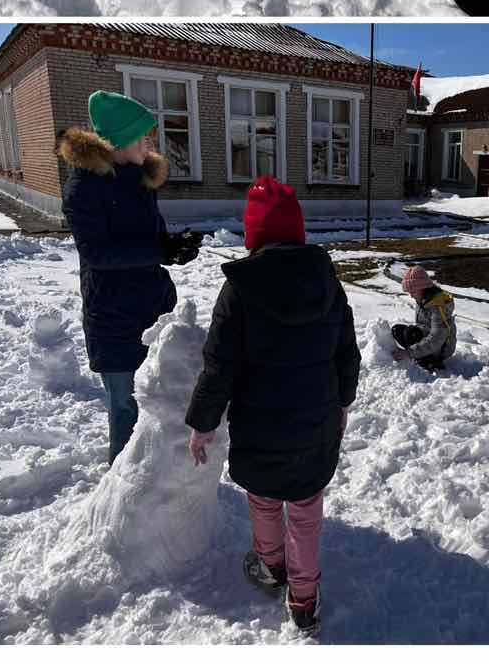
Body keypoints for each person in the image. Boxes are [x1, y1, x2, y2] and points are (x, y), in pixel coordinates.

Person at [186, 177, 358, 636]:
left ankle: (271, 566)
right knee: (304, 508)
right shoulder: (327, 282)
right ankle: (304, 597)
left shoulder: (240, 290)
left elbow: (219, 365)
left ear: (253, 233)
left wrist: (202, 423)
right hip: (315, 422)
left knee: (264, 502)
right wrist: (343, 401)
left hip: (260, 426)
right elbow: (347, 350)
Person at [57, 90, 201, 464]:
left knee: (160, 399)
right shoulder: (83, 188)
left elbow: (149, 239)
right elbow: (96, 253)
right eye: (142, 135)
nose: (150, 142)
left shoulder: (140, 180)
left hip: (152, 307)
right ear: (119, 141)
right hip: (113, 316)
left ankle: (160, 479)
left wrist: (174, 246)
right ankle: (122, 492)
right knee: (126, 407)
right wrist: (160, 251)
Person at [389, 265, 457, 371]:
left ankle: (432, 364)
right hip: (428, 340)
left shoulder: (438, 306)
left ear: (423, 288)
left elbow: (437, 339)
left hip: (442, 348)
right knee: (397, 329)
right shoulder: (423, 300)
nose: (411, 295)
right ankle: (419, 356)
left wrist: (409, 352)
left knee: (411, 333)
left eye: (413, 291)